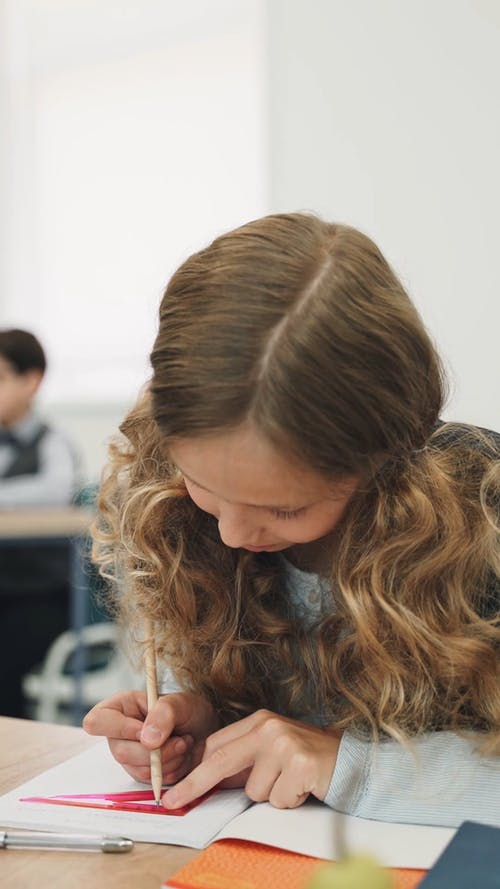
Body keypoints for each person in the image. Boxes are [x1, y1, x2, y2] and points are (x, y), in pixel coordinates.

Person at [83, 213, 500, 828]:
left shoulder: (482, 519)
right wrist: (203, 722)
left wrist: (348, 765)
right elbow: (228, 704)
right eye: (206, 487)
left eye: (285, 508)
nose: (233, 535)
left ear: (383, 454)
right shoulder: (171, 512)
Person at [0, 328, 80, 716]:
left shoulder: (54, 443)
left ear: (31, 381)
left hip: (43, 594)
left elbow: (55, 491)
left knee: (5, 657)